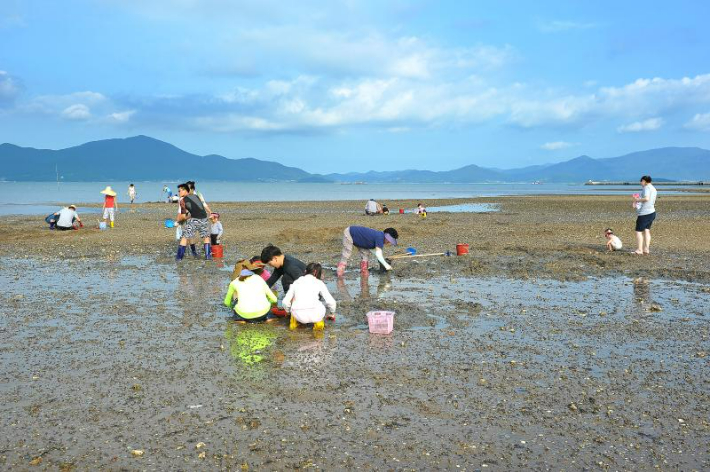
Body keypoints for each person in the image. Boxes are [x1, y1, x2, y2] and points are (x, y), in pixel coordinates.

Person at [283, 263, 337, 331]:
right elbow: (331, 302)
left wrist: (288, 312)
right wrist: (332, 313)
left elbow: (285, 302)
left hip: (298, 316)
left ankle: (294, 324)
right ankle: (319, 327)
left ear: (305, 271)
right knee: (321, 305)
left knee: (294, 303)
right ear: (316, 273)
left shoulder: (296, 283)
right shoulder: (319, 282)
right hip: (316, 315)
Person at [175, 183, 212, 260]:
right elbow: (200, 207)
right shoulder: (196, 196)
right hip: (204, 218)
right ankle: (208, 257)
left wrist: (178, 222)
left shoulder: (182, 201)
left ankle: (179, 258)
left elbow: (183, 216)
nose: (178, 192)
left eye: (180, 191)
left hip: (194, 219)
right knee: (206, 237)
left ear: (185, 190)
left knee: (185, 238)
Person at [633, 175, 657, 255]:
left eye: (641, 181)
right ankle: (646, 249)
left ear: (644, 181)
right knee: (647, 230)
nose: (641, 183)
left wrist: (637, 200)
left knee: (638, 231)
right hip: (652, 212)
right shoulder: (653, 188)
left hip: (644, 213)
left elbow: (646, 199)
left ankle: (640, 250)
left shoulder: (646, 188)